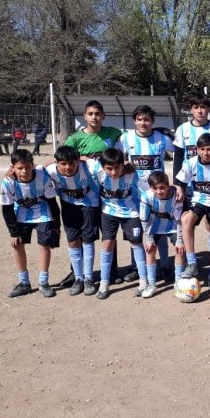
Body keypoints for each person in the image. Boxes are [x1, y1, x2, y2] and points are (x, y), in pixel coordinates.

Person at [60, 100, 124, 287]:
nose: (94, 117)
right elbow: (64, 159)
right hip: (83, 195)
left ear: (103, 116)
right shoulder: (75, 138)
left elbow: (127, 146)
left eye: (97, 113)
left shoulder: (113, 133)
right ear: (84, 116)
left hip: (107, 193)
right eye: (90, 114)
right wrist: (81, 157)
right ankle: (76, 273)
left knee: (108, 233)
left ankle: (111, 270)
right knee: (79, 234)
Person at [119, 104, 175, 281]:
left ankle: (165, 265)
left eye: (147, 119)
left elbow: (178, 152)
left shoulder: (161, 138)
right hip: (134, 194)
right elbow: (116, 158)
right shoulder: (125, 138)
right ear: (134, 120)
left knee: (161, 228)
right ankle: (137, 267)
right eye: (140, 119)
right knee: (137, 229)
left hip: (158, 193)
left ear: (153, 121)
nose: (143, 123)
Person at [86, 147, 148, 300]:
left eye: (117, 167)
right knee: (107, 244)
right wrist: (51, 162)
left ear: (123, 164)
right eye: (109, 168)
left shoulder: (132, 174)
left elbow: (148, 189)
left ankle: (143, 281)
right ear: (102, 167)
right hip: (109, 213)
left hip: (131, 213)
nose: (113, 172)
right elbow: (83, 159)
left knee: (136, 243)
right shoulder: (97, 169)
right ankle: (104, 283)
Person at [0, 149, 61, 298]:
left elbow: (53, 203)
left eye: (28, 167)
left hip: (43, 214)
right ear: (12, 168)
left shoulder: (43, 178)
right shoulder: (8, 182)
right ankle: (24, 283)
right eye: (20, 168)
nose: (24, 171)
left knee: (44, 245)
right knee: (17, 244)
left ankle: (43, 282)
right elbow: (6, 209)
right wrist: (13, 233)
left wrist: (56, 226)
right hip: (21, 214)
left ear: (33, 165)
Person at [176, 133, 210, 294]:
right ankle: (192, 264)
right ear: (197, 150)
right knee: (186, 220)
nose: (206, 153)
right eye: (203, 149)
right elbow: (180, 181)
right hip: (198, 201)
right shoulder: (191, 162)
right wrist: (179, 188)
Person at [44, 145, 101, 297]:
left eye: (71, 163)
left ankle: (89, 278)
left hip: (89, 204)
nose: (68, 167)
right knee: (73, 240)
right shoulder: (49, 171)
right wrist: (10, 172)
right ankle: (78, 278)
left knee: (88, 240)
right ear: (57, 163)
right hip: (68, 205)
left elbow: (110, 166)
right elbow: (31, 170)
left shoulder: (88, 166)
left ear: (78, 161)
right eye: (63, 164)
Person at [139, 171, 185, 298]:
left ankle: (178, 281)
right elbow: (144, 219)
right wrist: (148, 239)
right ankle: (152, 284)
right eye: (155, 188)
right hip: (153, 227)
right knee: (150, 250)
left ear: (168, 186)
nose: (159, 191)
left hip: (173, 227)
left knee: (180, 249)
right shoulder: (147, 196)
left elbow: (179, 219)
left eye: (162, 188)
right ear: (150, 188)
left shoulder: (177, 196)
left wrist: (180, 240)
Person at [173, 94, 210, 176]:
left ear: (209, 109)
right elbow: (178, 158)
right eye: (196, 107)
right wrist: (177, 181)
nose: (199, 111)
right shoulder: (182, 129)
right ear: (191, 110)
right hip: (189, 180)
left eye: (203, 107)